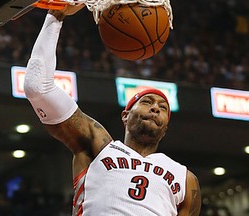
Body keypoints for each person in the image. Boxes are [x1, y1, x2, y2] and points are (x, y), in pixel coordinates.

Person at [24, 4, 201, 216]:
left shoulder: (185, 178)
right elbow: (37, 87)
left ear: (165, 128)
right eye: (146, 102)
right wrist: (56, 14)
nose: (155, 108)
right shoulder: (98, 145)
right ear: (125, 116)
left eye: (162, 108)